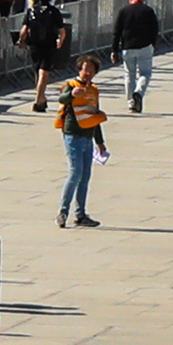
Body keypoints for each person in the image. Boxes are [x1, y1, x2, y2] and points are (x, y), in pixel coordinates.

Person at [56, 57, 109, 229]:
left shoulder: (93, 90)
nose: (87, 73)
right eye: (85, 69)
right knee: (75, 172)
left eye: (91, 71)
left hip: (87, 136)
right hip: (73, 134)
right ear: (79, 70)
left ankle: (81, 214)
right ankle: (63, 212)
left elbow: (95, 115)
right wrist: (71, 95)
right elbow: (62, 99)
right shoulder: (71, 85)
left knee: (85, 176)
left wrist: (99, 142)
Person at [115, 0, 161, 113]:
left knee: (129, 75)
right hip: (145, 46)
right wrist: (153, 43)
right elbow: (154, 29)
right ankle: (139, 93)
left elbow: (117, 32)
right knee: (145, 73)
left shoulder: (123, 11)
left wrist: (114, 50)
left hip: (128, 47)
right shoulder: (148, 11)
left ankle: (131, 103)